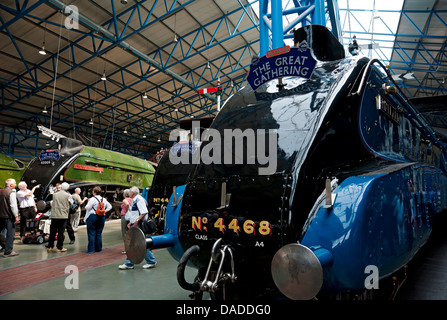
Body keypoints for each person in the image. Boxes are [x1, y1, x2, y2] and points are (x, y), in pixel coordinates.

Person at [119, 186, 157, 270]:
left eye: (129, 192)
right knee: (139, 244)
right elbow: (136, 213)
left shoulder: (139, 199)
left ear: (132, 193)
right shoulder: (135, 199)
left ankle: (130, 263)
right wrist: (131, 222)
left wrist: (136, 221)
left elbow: (144, 212)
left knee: (135, 244)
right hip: (136, 224)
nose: (128, 193)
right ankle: (150, 261)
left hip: (139, 225)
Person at [84, 186, 112, 253]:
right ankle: (98, 248)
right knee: (99, 233)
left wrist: (88, 202)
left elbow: (87, 207)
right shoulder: (103, 199)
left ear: (94, 192)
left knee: (91, 233)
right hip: (101, 217)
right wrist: (104, 211)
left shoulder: (92, 199)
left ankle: (91, 250)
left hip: (93, 216)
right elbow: (110, 206)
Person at [46, 182, 73, 253]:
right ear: (67, 188)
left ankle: (50, 246)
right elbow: (71, 203)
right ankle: (59, 247)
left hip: (54, 215)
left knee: (52, 231)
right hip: (63, 216)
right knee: (61, 232)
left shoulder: (54, 194)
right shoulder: (68, 195)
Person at [0, 179, 19, 257]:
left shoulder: (0, 191)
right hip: (8, 216)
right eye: (15, 183)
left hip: (0, 215)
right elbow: (13, 206)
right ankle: (8, 251)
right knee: (10, 234)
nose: (15, 184)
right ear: (11, 185)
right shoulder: (11, 193)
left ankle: (4, 245)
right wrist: (16, 216)